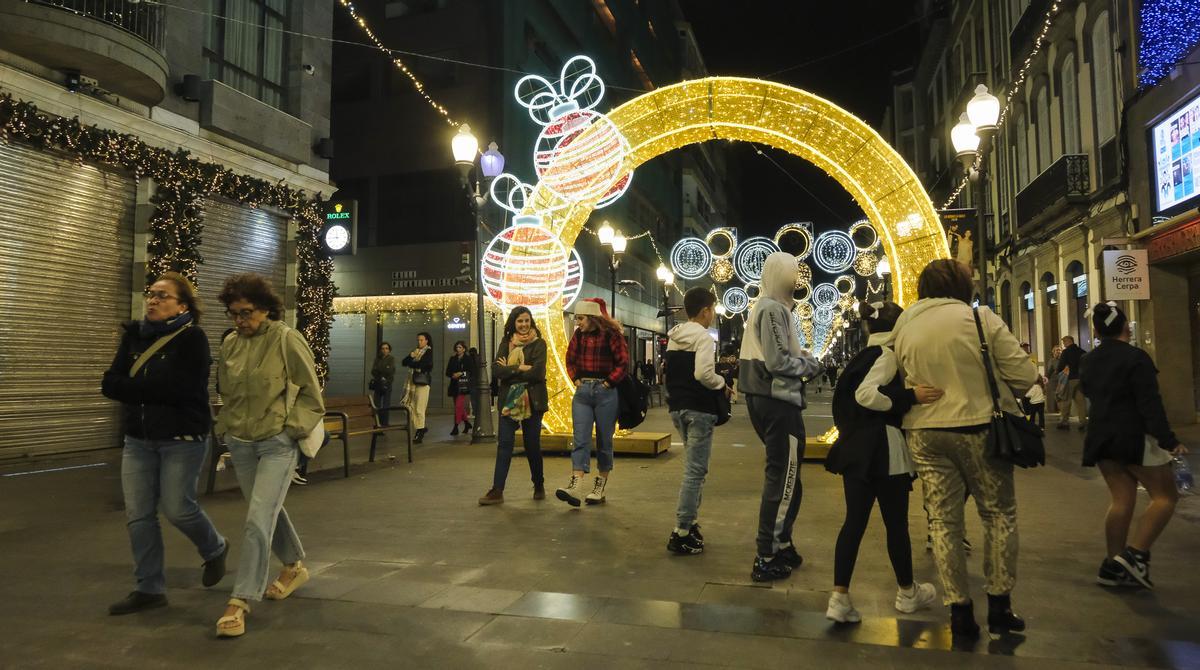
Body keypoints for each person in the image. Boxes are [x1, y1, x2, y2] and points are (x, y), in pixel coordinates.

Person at [892, 259, 1037, 638]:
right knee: (998, 513)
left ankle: (959, 610)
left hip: (924, 431)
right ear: (962, 285)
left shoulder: (904, 324)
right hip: (978, 427)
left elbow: (893, 377)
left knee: (942, 520)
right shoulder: (979, 319)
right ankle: (1000, 605)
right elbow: (1023, 376)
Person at [102, 272, 228, 616]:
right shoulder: (134, 337)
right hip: (139, 441)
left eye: (162, 295)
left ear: (181, 305)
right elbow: (109, 383)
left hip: (181, 439)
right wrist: (147, 389)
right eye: (151, 294)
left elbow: (182, 390)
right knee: (139, 516)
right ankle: (149, 588)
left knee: (178, 508)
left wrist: (136, 388)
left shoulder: (193, 339)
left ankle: (215, 548)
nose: (153, 300)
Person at [213, 273, 324, 638]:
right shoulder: (230, 343)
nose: (240, 321)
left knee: (258, 518)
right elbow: (226, 392)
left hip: (276, 442)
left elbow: (311, 394)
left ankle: (240, 601)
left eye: (246, 313)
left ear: (264, 309)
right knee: (265, 510)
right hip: (241, 442)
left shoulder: (286, 338)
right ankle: (292, 565)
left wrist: (290, 430)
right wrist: (225, 427)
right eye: (234, 314)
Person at [824, 301, 941, 623]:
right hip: (883, 450)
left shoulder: (860, 358)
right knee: (896, 525)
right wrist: (909, 398)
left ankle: (840, 597)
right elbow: (866, 395)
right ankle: (906, 592)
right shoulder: (886, 356)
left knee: (854, 523)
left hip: (856, 451)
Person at [1081, 302, 1187, 589]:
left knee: (1121, 499)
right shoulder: (1136, 359)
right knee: (1166, 496)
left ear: (1097, 330)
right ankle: (1136, 554)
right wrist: (1169, 440)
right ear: (1126, 327)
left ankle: (1113, 565)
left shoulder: (1089, 360)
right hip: (1134, 436)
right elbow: (1150, 404)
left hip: (1101, 436)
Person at [738, 252, 822, 582]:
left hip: (769, 400)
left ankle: (781, 541)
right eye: (792, 272)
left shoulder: (768, 307)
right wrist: (810, 365)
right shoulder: (772, 308)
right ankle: (766, 553)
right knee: (783, 477)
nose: (797, 277)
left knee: (788, 475)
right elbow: (778, 362)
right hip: (777, 401)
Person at [665, 288, 729, 555]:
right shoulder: (703, 338)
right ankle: (681, 530)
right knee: (695, 471)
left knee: (693, 469)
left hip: (677, 408)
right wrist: (722, 382)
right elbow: (703, 373)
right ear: (705, 310)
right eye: (712, 309)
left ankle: (690, 523)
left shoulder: (674, 337)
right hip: (699, 410)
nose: (713, 314)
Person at [558, 297, 629, 506]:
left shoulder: (611, 335)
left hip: (605, 392)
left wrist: (608, 383)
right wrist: (576, 379)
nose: (577, 323)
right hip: (583, 392)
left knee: (604, 440)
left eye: (580, 318)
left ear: (592, 318)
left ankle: (600, 485)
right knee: (580, 438)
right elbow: (569, 358)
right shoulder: (578, 336)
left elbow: (623, 363)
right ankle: (576, 485)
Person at [479, 307, 547, 505]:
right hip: (509, 400)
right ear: (513, 323)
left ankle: (539, 483)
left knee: (531, 445)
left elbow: (537, 373)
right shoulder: (506, 342)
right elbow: (497, 371)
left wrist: (509, 370)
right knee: (505, 445)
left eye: (527, 321)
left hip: (533, 400)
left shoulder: (539, 344)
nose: (524, 325)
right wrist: (518, 367)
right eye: (520, 321)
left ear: (531, 322)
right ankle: (497, 490)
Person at [402, 333, 434, 443]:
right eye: (418, 340)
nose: (419, 342)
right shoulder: (415, 351)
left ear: (427, 341)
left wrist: (412, 363)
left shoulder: (428, 352)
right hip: (412, 383)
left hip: (422, 384)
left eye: (421, 340)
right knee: (409, 407)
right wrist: (411, 357)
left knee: (419, 409)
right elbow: (404, 362)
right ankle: (421, 428)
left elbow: (424, 364)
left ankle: (419, 431)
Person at [1056, 335, 1088, 430]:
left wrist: (1057, 371)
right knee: (1080, 401)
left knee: (1066, 400)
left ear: (1068, 341)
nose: (1064, 344)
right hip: (1080, 379)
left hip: (1070, 379)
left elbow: (1061, 364)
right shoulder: (1082, 351)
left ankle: (1065, 422)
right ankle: (1083, 422)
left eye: (1064, 342)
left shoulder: (1066, 352)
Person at [445, 340, 473, 436]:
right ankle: (467, 423)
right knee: (459, 407)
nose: (458, 349)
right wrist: (453, 375)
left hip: (463, 385)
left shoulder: (468, 359)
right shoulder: (452, 359)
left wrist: (461, 373)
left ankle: (456, 426)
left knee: (458, 406)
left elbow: (471, 371)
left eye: (460, 347)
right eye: (457, 347)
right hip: (454, 385)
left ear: (464, 349)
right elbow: (447, 372)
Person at [370, 342, 396, 426]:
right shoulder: (377, 359)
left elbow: (390, 371)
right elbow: (373, 371)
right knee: (376, 404)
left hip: (387, 384)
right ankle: (377, 423)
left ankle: (384, 424)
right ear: (380, 350)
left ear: (389, 350)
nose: (384, 350)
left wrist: (380, 371)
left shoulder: (391, 359)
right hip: (378, 383)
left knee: (386, 404)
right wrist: (381, 374)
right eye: (383, 348)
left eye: (386, 348)